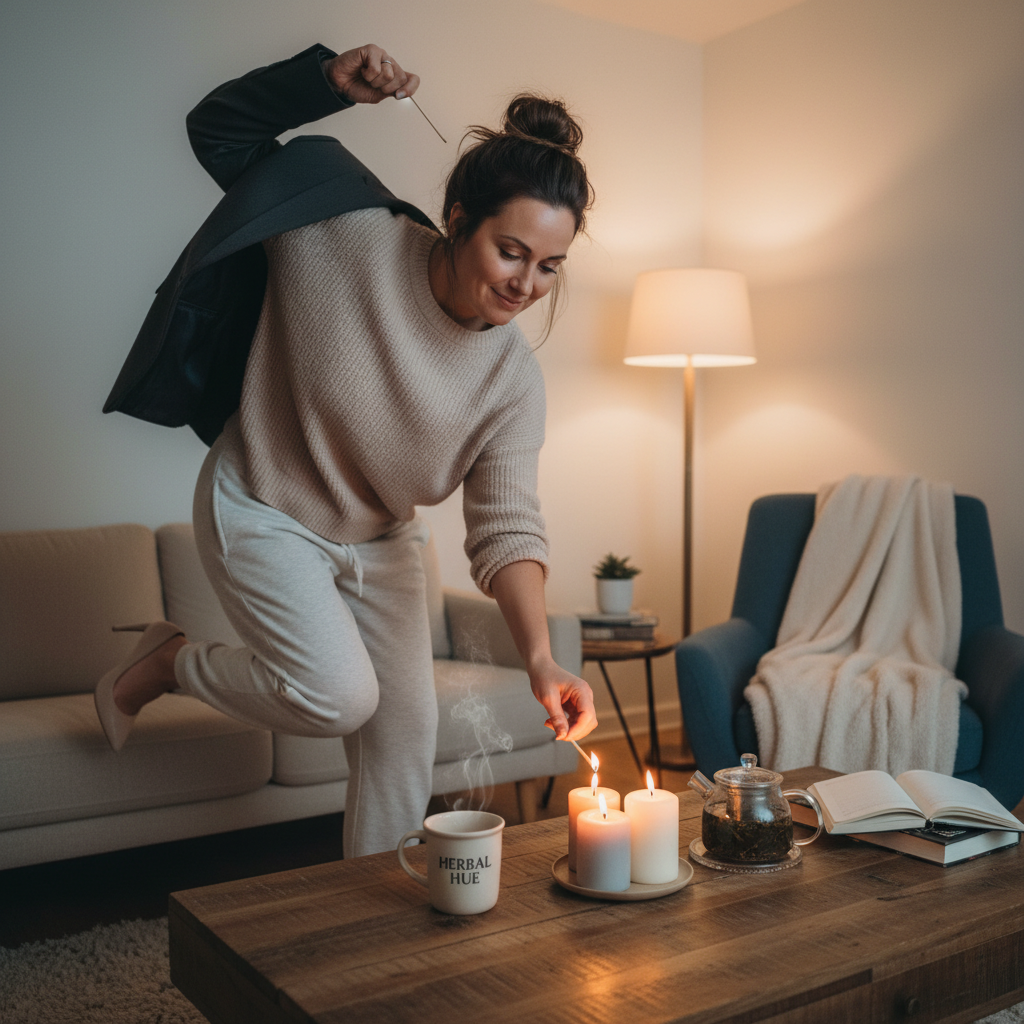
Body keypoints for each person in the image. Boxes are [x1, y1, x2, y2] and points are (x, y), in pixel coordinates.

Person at [95, 43, 597, 858]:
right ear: (459, 219)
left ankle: (377, 934)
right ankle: (171, 660)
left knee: (404, 745)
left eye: (550, 267)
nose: (526, 285)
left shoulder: (511, 380)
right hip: (262, 502)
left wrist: (540, 659)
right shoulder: (341, 232)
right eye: (511, 252)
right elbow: (217, 131)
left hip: (380, 538)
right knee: (337, 699)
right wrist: (322, 82)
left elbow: (506, 527)